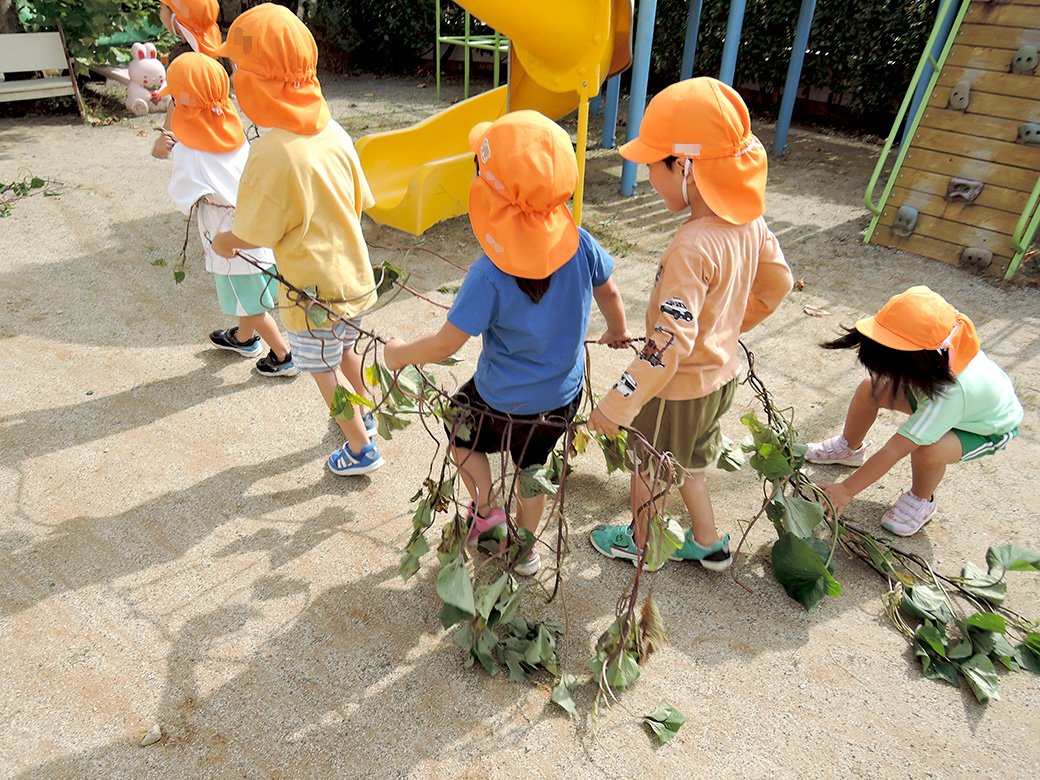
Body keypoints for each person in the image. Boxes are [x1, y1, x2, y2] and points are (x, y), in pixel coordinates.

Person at [383, 110, 630, 576]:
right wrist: (616, 330)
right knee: (533, 471)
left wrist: (397, 354)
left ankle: (485, 510)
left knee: (460, 434)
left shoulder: (487, 274)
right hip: (560, 398)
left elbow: (443, 346)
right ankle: (527, 549)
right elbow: (610, 292)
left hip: (499, 399)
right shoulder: (580, 241)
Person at [585, 77, 793, 571]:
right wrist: (727, 327)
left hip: (675, 389)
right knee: (689, 463)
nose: (648, 176)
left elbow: (668, 341)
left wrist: (618, 403)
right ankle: (708, 541)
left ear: (686, 167)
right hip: (719, 377)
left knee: (649, 466)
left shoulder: (692, 246)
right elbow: (779, 282)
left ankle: (640, 541)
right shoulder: (750, 222)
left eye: (653, 165)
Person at [209, 4, 382, 476]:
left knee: (321, 368)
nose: (233, 78)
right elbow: (361, 198)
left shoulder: (269, 152)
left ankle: (360, 446)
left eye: (238, 69)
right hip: (354, 279)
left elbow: (251, 234)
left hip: (311, 291)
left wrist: (225, 240)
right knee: (344, 350)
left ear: (256, 83)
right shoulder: (335, 132)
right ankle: (367, 412)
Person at [806, 286, 1023, 536]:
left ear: (916, 362)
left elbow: (894, 449)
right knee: (871, 389)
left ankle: (922, 500)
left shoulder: (948, 395)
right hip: (942, 395)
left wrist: (846, 489)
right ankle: (849, 448)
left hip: (984, 427)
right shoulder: (938, 349)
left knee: (928, 449)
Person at [152, 53, 295, 377]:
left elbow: (183, 194)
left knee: (249, 299)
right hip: (254, 220)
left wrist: (164, 148)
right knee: (249, 291)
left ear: (180, 101)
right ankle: (244, 339)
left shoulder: (190, 149)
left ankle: (284, 355)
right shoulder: (229, 127)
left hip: (228, 237)